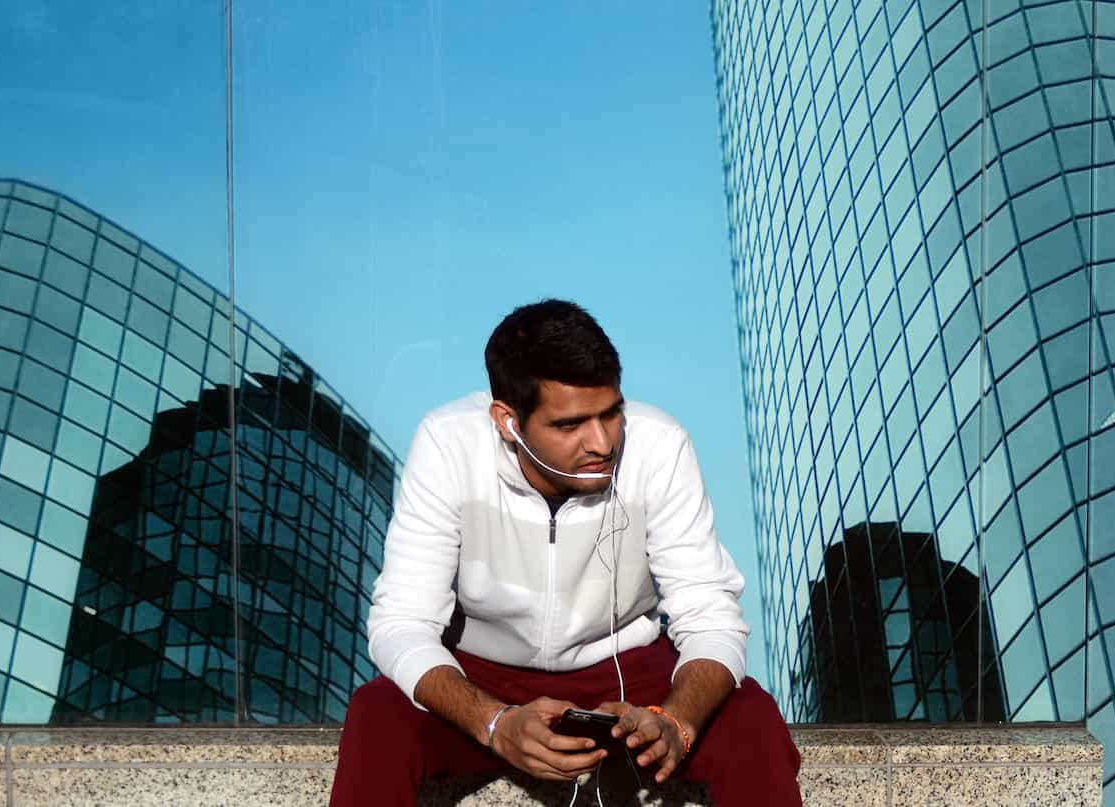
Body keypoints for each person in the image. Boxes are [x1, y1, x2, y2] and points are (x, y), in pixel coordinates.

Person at [330, 299, 803, 806]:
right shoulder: (448, 444)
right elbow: (401, 622)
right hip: (481, 673)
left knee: (749, 716)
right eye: (569, 425)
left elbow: (710, 615)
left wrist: (677, 721)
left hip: (626, 671)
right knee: (378, 714)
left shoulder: (660, 445)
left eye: (611, 413)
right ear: (507, 421)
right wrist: (494, 723)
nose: (601, 442)